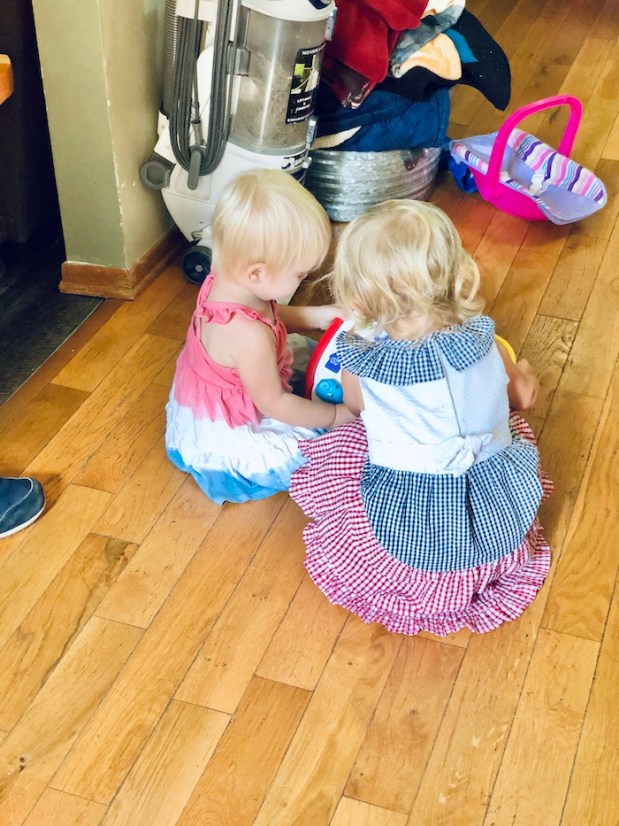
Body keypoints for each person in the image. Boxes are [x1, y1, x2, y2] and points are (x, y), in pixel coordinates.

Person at [290, 199, 552, 636]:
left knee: (352, 440)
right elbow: (522, 397)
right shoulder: (483, 341)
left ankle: (420, 585)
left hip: (414, 537)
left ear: (358, 299)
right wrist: (523, 371)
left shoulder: (364, 361)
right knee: (510, 427)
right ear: (458, 273)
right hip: (496, 520)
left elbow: (356, 408)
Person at [165, 168, 354, 505]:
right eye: (299, 274)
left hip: (234, 382)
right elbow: (275, 403)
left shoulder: (230, 280)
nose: (303, 279)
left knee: (307, 351)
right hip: (230, 429)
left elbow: (271, 317)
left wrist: (315, 316)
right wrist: (335, 417)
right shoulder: (246, 335)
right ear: (257, 273)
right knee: (326, 448)